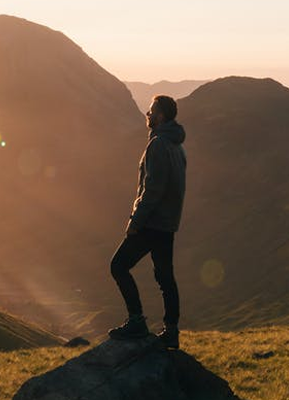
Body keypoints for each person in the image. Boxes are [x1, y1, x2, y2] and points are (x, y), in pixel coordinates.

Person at [108, 95, 187, 349]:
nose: (148, 114)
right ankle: (171, 331)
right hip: (167, 224)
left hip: (151, 223)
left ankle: (136, 321)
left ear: (161, 115)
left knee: (118, 266)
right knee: (165, 277)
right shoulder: (177, 147)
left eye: (151, 111)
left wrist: (135, 221)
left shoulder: (158, 145)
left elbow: (152, 189)